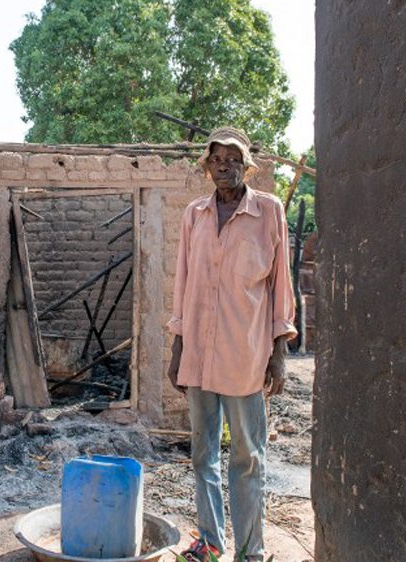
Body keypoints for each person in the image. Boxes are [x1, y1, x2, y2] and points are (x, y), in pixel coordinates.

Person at [167, 127, 297, 561]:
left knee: (248, 457)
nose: (224, 166)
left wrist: (279, 352)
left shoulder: (268, 212)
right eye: (217, 160)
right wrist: (177, 347)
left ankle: (250, 552)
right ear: (207, 167)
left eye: (233, 159)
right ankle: (209, 543)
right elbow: (183, 281)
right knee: (203, 453)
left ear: (247, 165)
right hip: (199, 355)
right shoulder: (195, 215)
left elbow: (280, 284)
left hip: (245, 354)